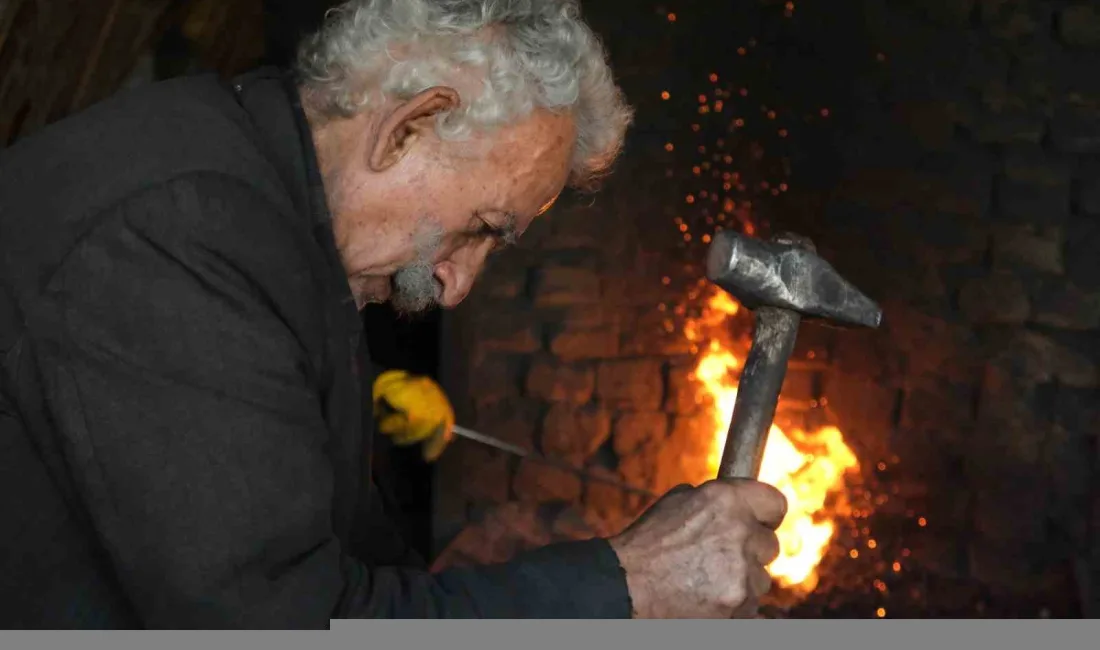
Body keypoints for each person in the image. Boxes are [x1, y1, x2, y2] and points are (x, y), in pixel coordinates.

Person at [0, 0, 787, 628]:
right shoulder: (180, 230)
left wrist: (493, 572)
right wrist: (626, 584)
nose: (456, 284)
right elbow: (288, 626)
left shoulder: (275, 214)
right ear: (408, 126)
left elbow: (335, 564)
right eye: (481, 228)